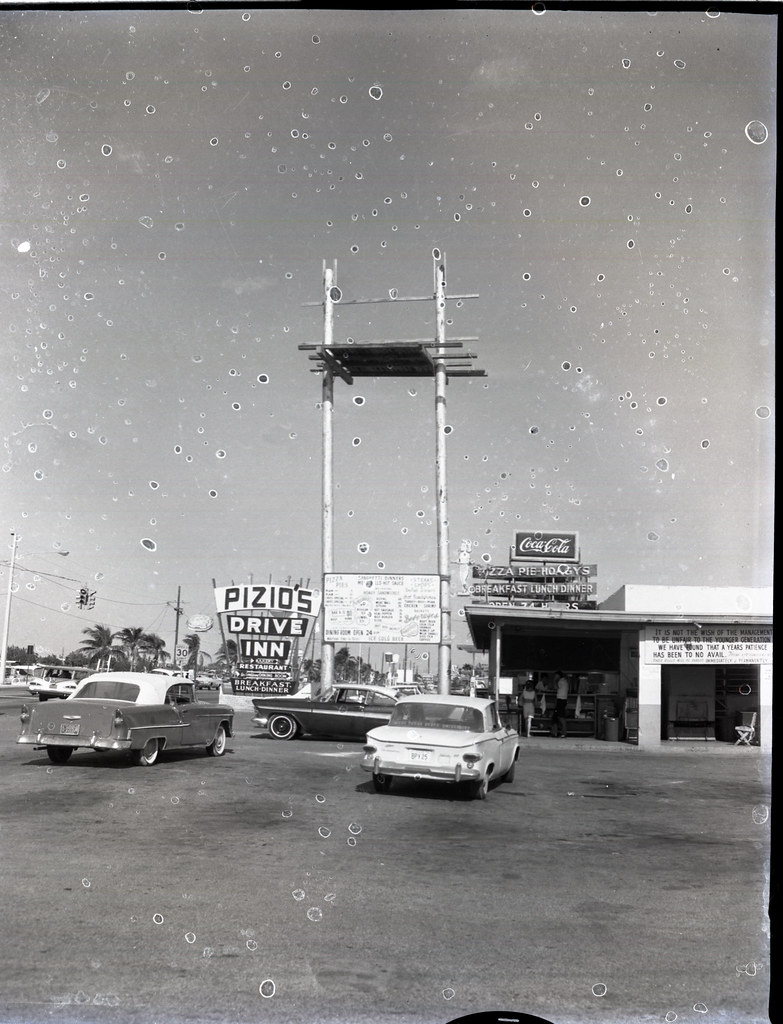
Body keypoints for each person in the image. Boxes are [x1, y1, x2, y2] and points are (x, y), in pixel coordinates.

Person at [551, 669, 569, 738]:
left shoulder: (561, 681)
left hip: (561, 700)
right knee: (555, 716)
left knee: (560, 716)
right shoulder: (565, 681)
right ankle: (555, 732)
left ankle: (564, 732)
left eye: (556, 675)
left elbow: (555, 687)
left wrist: (554, 680)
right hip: (562, 700)